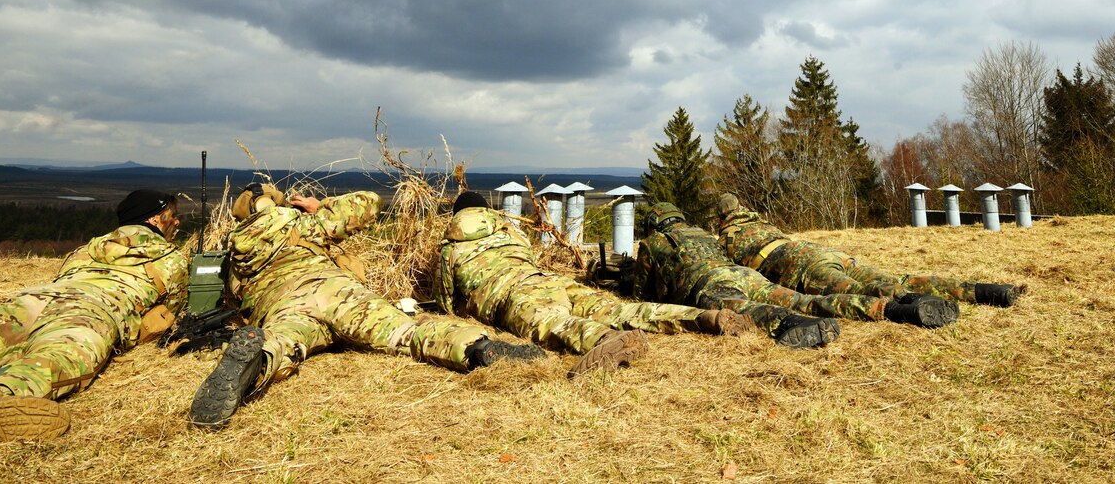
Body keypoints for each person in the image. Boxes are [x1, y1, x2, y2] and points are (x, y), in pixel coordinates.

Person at [190, 183, 545, 430]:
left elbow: (239, 295)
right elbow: (370, 203)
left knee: (284, 342)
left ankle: (257, 361)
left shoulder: (236, 251)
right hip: (334, 292)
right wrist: (319, 207)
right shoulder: (302, 223)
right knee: (407, 332)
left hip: (284, 304)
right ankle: (479, 348)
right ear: (277, 204)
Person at [0, 189, 189, 444]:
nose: (177, 223)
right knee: (60, 356)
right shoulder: (171, 259)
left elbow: (63, 276)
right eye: (172, 217)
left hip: (35, 300)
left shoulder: (86, 248)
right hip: (92, 311)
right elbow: (174, 308)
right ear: (155, 218)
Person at [435, 191, 756, 376]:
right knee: (619, 308)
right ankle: (704, 318)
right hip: (548, 280)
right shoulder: (511, 231)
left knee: (557, 323)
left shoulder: (452, 247)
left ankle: (609, 340)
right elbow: (528, 262)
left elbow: (446, 301)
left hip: (512, 295)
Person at [632, 203, 957, 342]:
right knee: (803, 300)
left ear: (653, 225)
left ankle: (793, 326)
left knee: (746, 310)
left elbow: (639, 291)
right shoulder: (702, 234)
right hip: (744, 274)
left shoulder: (652, 243)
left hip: (712, 286)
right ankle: (895, 310)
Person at [714, 193, 1023, 308]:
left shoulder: (727, 239)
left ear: (720, 217)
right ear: (742, 208)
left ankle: (918, 307)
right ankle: (986, 292)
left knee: (866, 291)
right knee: (899, 278)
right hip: (824, 252)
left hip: (803, 268)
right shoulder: (763, 222)